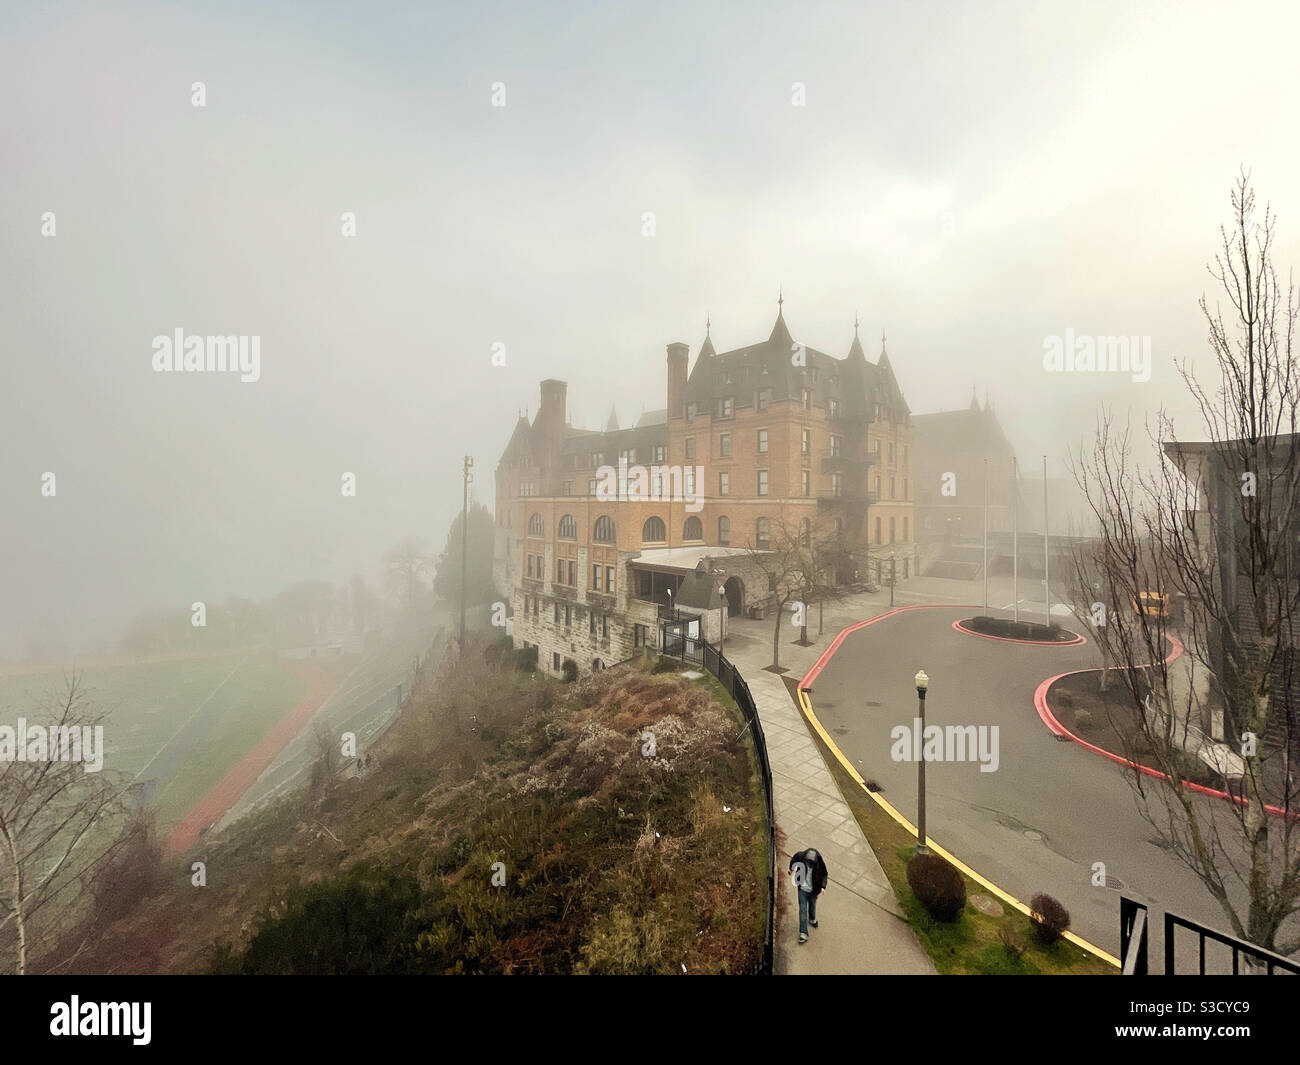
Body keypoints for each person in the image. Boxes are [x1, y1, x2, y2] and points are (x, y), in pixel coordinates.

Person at [789, 847, 828, 944]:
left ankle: (812, 919)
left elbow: (824, 874)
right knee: (802, 910)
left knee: (812, 905)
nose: (810, 865)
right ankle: (803, 933)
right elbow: (794, 859)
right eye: (808, 863)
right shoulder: (801, 856)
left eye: (812, 864)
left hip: (813, 890)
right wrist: (791, 869)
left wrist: (823, 886)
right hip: (802, 888)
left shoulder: (819, 863)